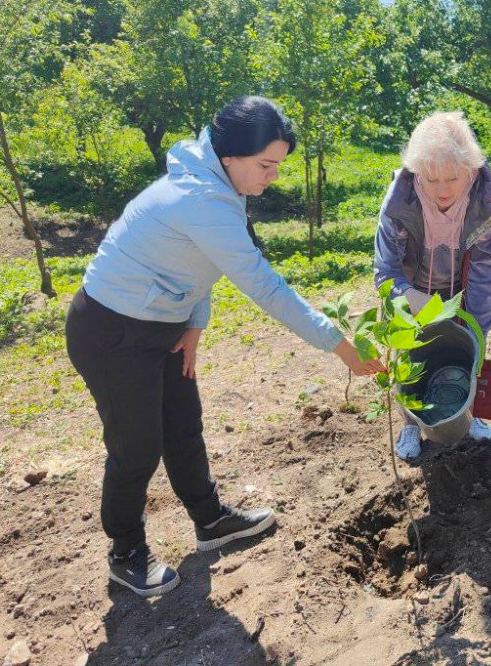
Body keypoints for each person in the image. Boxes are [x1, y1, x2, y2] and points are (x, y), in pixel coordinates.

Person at [66, 97, 383, 598]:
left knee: (183, 427)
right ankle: (125, 552)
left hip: (161, 325)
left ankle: (209, 521)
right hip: (113, 333)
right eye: (266, 165)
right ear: (230, 155)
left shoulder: (213, 184)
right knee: (137, 446)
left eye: (278, 166)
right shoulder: (202, 200)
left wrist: (192, 323)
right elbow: (264, 286)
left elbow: (198, 264)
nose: (272, 177)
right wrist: (339, 345)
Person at [373, 111, 491, 460]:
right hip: (413, 286)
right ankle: (409, 424)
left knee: (466, 343)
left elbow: (485, 278)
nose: (443, 189)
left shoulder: (488, 203)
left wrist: (473, 330)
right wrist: (409, 298)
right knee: (410, 352)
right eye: (431, 180)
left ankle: (470, 410)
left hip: (463, 287)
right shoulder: (399, 203)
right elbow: (386, 270)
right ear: (417, 172)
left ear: (472, 170)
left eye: (453, 178)